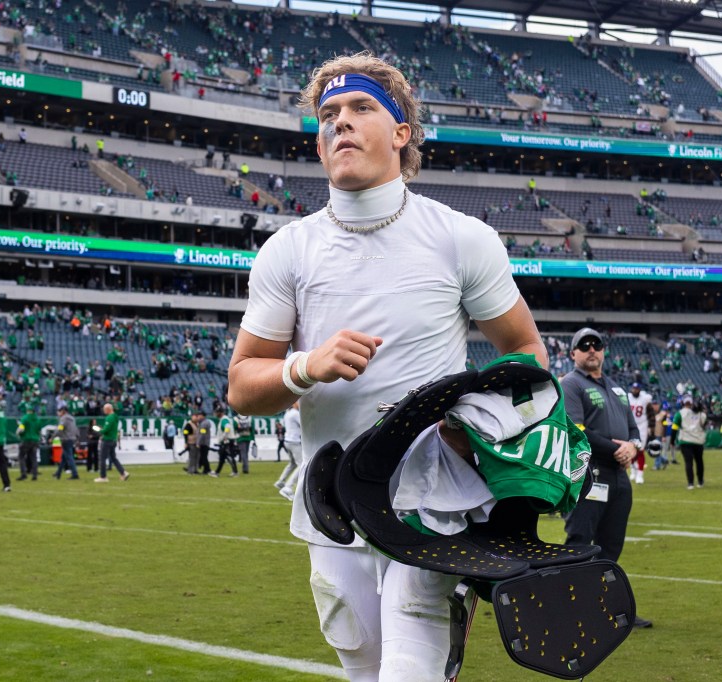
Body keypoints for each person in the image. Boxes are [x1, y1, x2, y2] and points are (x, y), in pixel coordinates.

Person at [228, 53, 549, 681]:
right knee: (361, 661)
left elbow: (527, 354)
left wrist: (479, 425)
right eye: (328, 115)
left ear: (402, 133)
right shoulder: (287, 250)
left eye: (360, 107)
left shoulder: (461, 237)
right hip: (333, 498)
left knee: (410, 669)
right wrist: (304, 368)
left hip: (435, 500)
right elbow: (242, 386)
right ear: (320, 147)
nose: (340, 122)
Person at [561, 327, 652, 629]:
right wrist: (617, 447)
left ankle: (609, 609)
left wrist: (632, 446)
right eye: (583, 345)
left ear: (603, 351)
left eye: (596, 345)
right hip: (589, 474)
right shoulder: (571, 384)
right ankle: (569, 608)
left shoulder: (616, 388)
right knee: (579, 542)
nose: (591, 349)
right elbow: (578, 430)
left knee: (611, 547)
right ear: (573, 353)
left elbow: (635, 431)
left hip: (618, 476)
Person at [672, 396, 706, 489]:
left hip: (686, 440)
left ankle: (690, 483)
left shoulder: (680, 413)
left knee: (688, 462)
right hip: (698, 440)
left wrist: (672, 440)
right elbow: (704, 423)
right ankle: (700, 481)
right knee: (699, 461)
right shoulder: (701, 414)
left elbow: (674, 428)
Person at [274, 402, 301, 500]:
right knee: (302, 464)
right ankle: (288, 487)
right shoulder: (295, 413)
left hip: (287, 441)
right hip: (294, 441)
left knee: (293, 463)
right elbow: (304, 425)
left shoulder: (287, 413)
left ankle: (281, 481)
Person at [95, 403, 129, 482]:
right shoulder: (115, 416)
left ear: (108, 409)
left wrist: (99, 430)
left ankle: (103, 477)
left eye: (104, 409)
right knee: (113, 458)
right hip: (113, 439)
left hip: (107, 440)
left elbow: (106, 430)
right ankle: (123, 472)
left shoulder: (109, 418)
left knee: (102, 458)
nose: (103, 411)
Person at [627, 382, 652, 484]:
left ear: (640, 390)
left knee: (640, 450)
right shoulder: (628, 397)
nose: (635, 390)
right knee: (631, 449)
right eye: (633, 388)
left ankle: (640, 474)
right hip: (630, 425)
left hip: (642, 425)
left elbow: (650, 412)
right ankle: (633, 470)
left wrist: (651, 427)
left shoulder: (645, 398)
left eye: (637, 389)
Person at [53, 402, 80, 480]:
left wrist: (53, 437)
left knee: (69, 457)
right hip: (72, 438)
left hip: (65, 439)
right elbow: (76, 429)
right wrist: (77, 437)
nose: (58, 413)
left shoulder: (63, 419)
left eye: (59, 411)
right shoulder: (72, 419)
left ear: (63, 411)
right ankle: (58, 473)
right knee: (63, 458)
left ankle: (75, 474)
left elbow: (59, 429)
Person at [212, 406, 238, 477]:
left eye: (217, 412)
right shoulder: (226, 419)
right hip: (228, 440)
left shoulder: (224, 420)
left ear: (220, 413)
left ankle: (235, 472)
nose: (215, 414)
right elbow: (235, 425)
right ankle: (217, 472)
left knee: (229, 457)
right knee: (222, 458)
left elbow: (227, 427)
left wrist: (224, 436)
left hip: (227, 441)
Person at [16, 408, 39, 481]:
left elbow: (21, 429)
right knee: (33, 458)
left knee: (21, 457)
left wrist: (18, 434)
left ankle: (23, 474)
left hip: (26, 439)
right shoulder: (38, 419)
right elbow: (39, 430)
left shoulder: (25, 418)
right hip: (35, 440)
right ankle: (34, 474)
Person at [196, 409, 214, 475]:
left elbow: (202, 433)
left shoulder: (204, 423)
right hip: (205, 442)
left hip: (204, 443)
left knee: (204, 457)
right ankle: (205, 469)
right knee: (204, 457)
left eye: (199, 415)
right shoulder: (204, 422)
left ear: (203, 416)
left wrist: (198, 442)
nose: (198, 417)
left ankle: (207, 469)